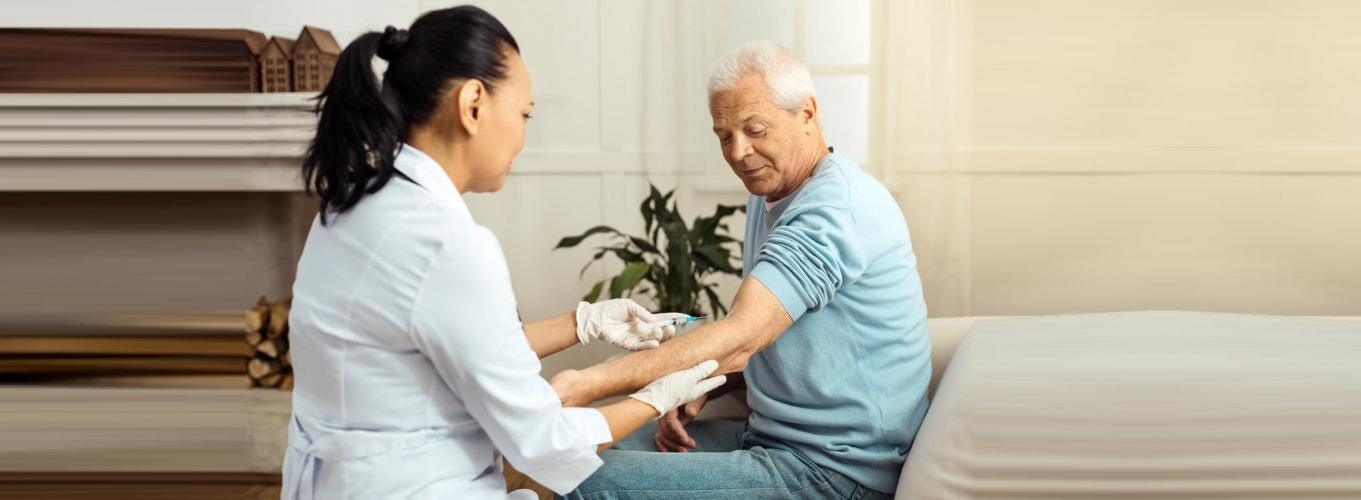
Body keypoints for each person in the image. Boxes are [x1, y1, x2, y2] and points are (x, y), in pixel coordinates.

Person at [282, 6, 724, 499]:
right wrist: (655, 396)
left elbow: (451, 344)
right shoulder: (446, 245)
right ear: (473, 104)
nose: (522, 137)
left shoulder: (350, 205)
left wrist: (585, 322)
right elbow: (542, 442)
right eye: (523, 114)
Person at [553, 41, 936, 499]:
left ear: (807, 114)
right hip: (771, 440)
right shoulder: (770, 192)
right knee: (568, 457)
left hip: (833, 471)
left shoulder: (834, 210)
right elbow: (769, 338)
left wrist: (588, 382)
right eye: (723, 135)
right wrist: (697, 388)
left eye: (755, 129)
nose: (738, 152)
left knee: (585, 484)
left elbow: (742, 334)